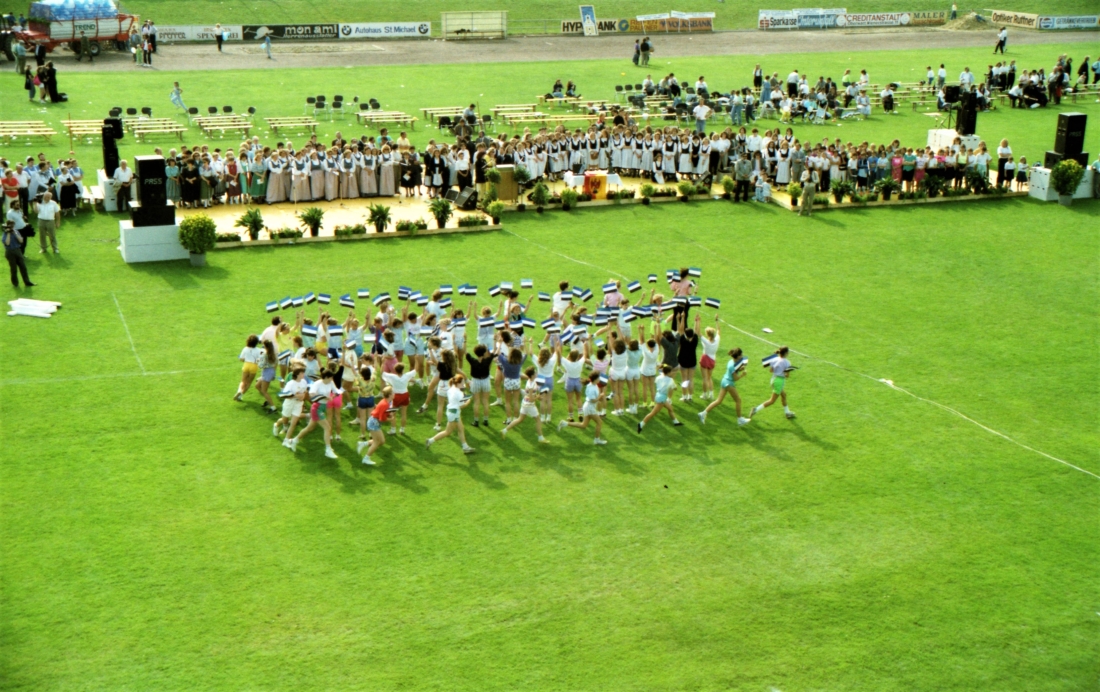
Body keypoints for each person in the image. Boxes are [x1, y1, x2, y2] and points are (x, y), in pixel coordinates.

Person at [699, 348, 750, 426]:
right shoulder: (732, 366)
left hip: (724, 381)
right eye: (741, 354)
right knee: (738, 400)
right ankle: (740, 420)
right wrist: (742, 375)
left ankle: (703, 413)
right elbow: (735, 378)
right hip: (729, 383)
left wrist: (740, 368)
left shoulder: (731, 362)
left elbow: (735, 369)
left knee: (718, 401)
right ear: (738, 356)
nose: (742, 356)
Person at [559, 371, 607, 445]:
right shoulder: (592, 388)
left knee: (583, 425)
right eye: (598, 378)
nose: (599, 379)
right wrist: (600, 396)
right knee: (599, 422)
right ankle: (597, 440)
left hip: (588, 407)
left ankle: (565, 423)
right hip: (590, 407)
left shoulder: (593, 385)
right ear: (595, 379)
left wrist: (601, 394)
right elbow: (593, 400)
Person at [750, 346, 796, 420]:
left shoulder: (774, 359)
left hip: (773, 379)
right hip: (779, 382)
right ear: (786, 353)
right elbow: (787, 376)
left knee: (784, 395)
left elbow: (771, 370)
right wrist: (784, 372)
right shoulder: (787, 362)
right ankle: (755, 409)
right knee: (772, 401)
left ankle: (787, 413)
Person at [637, 365, 682, 432]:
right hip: (662, 398)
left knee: (670, 409)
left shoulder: (658, 377)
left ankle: (676, 422)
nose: (672, 373)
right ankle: (641, 424)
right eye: (671, 372)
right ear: (668, 372)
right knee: (652, 413)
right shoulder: (670, 380)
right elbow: (674, 388)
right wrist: (677, 386)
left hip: (658, 395)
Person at [359, 386, 394, 466]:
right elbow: (382, 418)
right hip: (374, 423)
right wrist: (390, 419)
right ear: (390, 394)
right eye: (393, 392)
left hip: (374, 422)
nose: (394, 394)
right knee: (377, 442)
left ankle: (363, 444)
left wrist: (390, 413)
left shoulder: (386, 401)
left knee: (382, 441)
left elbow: (383, 412)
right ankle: (366, 458)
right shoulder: (385, 404)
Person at [3, 221, 34, 288]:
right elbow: (7, 243)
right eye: (10, 225)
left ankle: (27, 282)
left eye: (12, 225)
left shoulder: (16, 231)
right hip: (10, 252)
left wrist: (14, 233)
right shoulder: (5, 234)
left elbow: (21, 241)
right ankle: (15, 283)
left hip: (18, 250)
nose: (12, 227)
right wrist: (8, 233)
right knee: (13, 269)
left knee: (23, 267)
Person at [235, 335, 262, 401]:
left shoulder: (245, 348)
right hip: (254, 366)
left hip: (246, 365)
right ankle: (240, 395)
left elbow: (241, 359)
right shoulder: (259, 350)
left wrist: (246, 359)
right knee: (249, 382)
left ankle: (239, 391)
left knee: (243, 381)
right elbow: (260, 359)